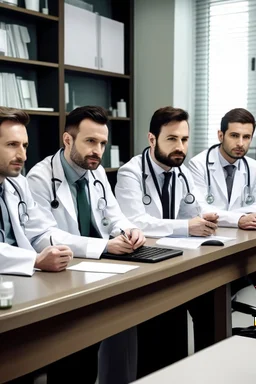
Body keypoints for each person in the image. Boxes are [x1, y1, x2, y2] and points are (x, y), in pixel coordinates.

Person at [27, 105, 146, 384]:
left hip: (97, 270)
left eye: (103, 143)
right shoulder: (39, 178)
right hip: (63, 276)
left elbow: (115, 215)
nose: (98, 151)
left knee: (124, 320)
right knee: (75, 353)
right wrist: (104, 246)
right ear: (68, 140)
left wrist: (130, 231)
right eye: (90, 141)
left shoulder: (96, 172)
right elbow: (43, 237)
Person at [115, 106, 218, 377]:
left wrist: (203, 218)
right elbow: (135, 221)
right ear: (152, 139)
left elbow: (192, 212)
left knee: (209, 303)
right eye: (172, 139)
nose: (180, 147)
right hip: (142, 263)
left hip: (174, 258)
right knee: (161, 324)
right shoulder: (131, 173)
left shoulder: (181, 172)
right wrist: (187, 226)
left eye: (184, 140)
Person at [188, 108, 256, 229]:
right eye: (234, 136)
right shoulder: (198, 164)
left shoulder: (253, 167)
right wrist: (239, 219)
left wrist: (223, 216)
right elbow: (200, 209)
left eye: (246, 137)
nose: (240, 143)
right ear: (220, 135)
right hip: (210, 234)